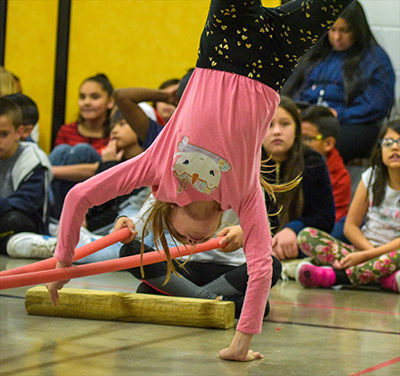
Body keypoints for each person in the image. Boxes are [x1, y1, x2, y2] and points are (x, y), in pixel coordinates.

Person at [46, 0, 354, 362]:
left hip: (223, 45)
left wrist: (63, 262)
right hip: (276, 63)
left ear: (168, 213)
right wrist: (241, 343)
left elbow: (79, 196)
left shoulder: (157, 169)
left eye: (179, 238)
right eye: (194, 241)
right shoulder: (244, 193)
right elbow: (259, 268)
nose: (194, 241)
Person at [6, 109, 150, 260]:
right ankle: (63, 235)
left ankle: (65, 243)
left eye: (122, 124)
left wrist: (109, 164)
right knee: (62, 151)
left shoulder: (144, 163)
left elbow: (116, 205)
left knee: (83, 151)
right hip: (93, 217)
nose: (114, 130)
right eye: (113, 126)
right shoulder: (111, 156)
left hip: (115, 220)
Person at [281, 1, 395, 163]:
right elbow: (290, 88)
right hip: (308, 118)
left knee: (319, 142)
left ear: (357, 29)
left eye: (344, 31)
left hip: (351, 124)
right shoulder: (314, 54)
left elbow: (377, 105)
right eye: (332, 30)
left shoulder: (376, 60)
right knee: (277, 136)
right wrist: (293, 110)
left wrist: (339, 114)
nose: (337, 37)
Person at [296, 120, 400, 293]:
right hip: (364, 249)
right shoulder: (371, 177)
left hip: (394, 255)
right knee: (306, 236)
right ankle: (384, 278)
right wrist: (369, 253)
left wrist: (367, 256)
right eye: (388, 143)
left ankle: (337, 277)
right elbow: (350, 227)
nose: (394, 148)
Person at [262, 96, 335, 262]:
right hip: (254, 243)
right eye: (269, 125)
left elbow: (325, 216)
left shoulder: (312, 160)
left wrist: (293, 229)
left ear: (297, 129)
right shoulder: (249, 161)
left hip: (296, 245)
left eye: (285, 124)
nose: (277, 131)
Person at [49, 73, 114, 220]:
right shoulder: (67, 130)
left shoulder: (115, 132)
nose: (87, 102)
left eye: (94, 97)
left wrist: (49, 171)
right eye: (82, 97)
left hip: (96, 197)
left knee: (82, 150)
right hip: (62, 191)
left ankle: (66, 217)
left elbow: (101, 169)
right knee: (62, 151)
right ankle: (56, 215)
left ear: (110, 102)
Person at [0, 97, 52, 254]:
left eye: (3, 134)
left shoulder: (34, 160)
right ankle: (10, 247)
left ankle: (33, 245)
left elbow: (27, 203)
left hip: (24, 223)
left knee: (14, 220)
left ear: (18, 132)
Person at [300, 104, 351, 240]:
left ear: (328, 143)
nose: (299, 144)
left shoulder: (341, 177)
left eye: (307, 139)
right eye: (297, 137)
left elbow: (329, 222)